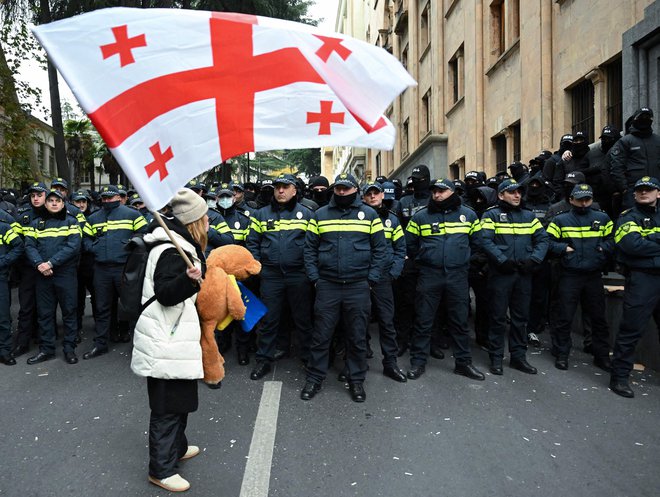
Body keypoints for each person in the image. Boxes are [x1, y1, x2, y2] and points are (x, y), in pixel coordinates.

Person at [130, 188, 210, 492]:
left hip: (174, 339)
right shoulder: (168, 249)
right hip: (166, 340)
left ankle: (176, 449)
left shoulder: (181, 245)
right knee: (166, 407)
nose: (208, 222)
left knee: (180, 400)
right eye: (204, 217)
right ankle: (161, 470)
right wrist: (188, 280)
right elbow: (165, 294)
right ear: (194, 221)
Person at [301, 173, 387, 402]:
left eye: (345, 189)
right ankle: (315, 378)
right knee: (321, 336)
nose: (341, 192)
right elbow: (309, 249)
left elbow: (380, 250)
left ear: (355, 190)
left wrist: (371, 279)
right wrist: (315, 278)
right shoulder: (320, 215)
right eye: (338, 188)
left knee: (357, 336)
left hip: (358, 286)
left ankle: (356, 380)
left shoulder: (369, 215)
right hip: (328, 285)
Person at [405, 178, 485, 381]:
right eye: (434, 191)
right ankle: (418, 362)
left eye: (441, 191)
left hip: (457, 275)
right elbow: (410, 245)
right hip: (429, 274)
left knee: (459, 321)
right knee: (423, 320)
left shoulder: (468, 215)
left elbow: (477, 243)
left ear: (452, 192)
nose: (437, 195)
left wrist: (464, 259)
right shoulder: (421, 217)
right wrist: (425, 258)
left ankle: (463, 363)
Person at [246, 173, 314, 379]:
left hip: (298, 275)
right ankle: (263, 360)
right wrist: (259, 269)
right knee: (269, 320)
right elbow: (253, 244)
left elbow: (313, 245)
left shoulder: (307, 214)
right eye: (277, 187)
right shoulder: (261, 214)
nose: (281, 191)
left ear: (295, 190)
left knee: (303, 319)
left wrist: (308, 270)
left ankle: (308, 357)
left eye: (285, 187)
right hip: (271, 276)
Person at [480, 179, 549, 375]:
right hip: (501, 274)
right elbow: (485, 240)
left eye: (519, 192)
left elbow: (543, 239)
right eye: (512, 192)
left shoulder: (528, 216)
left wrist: (534, 260)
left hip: (523, 274)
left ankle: (518, 357)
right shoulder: (491, 215)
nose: (517, 195)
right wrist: (501, 260)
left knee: (521, 318)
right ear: (501, 195)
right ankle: (496, 358)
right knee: (498, 317)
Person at [546, 184, 613, 371]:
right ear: (571, 200)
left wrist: (602, 249)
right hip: (570, 274)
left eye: (587, 199)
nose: (584, 203)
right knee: (564, 316)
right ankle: (561, 354)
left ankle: (601, 356)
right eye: (580, 199)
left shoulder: (603, 218)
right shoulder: (561, 220)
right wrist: (563, 249)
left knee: (598, 318)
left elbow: (613, 239)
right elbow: (547, 241)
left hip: (593, 275)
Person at [83, 185, 148, 358]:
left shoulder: (132, 214)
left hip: (124, 268)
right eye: (104, 198)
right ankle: (100, 344)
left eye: (110, 198)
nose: (107, 201)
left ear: (119, 198)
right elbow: (86, 240)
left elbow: (144, 233)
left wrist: (131, 245)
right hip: (101, 270)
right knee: (102, 308)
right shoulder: (93, 218)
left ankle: (139, 346)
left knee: (131, 307)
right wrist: (94, 248)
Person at [609, 176, 660, 398]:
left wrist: (651, 243)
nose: (643, 193)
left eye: (648, 190)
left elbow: (641, 244)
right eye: (639, 190)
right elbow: (631, 245)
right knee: (631, 330)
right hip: (642, 278)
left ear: (658, 193)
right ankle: (619, 377)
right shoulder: (627, 217)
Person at [24, 190, 82, 365]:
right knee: (45, 314)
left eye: (58, 200)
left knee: (69, 312)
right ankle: (46, 349)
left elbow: (73, 247)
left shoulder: (72, 222)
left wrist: (50, 263)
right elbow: (29, 246)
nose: (54, 203)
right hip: (43, 275)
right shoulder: (36, 224)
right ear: (45, 204)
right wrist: (39, 264)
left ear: (63, 204)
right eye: (50, 201)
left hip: (65, 274)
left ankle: (69, 349)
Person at [361, 182, 407, 382]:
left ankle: (390, 363)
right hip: (361, 277)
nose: (372, 197)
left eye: (376, 193)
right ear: (363, 197)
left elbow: (400, 249)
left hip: (383, 278)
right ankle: (358, 361)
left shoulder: (392, 220)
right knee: (358, 322)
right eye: (368, 194)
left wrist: (394, 272)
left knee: (387, 322)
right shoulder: (357, 218)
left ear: (382, 195)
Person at [11, 182, 48, 358]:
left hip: (47, 268)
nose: (35, 198)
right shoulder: (22, 215)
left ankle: (44, 341)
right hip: (28, 268)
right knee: (25, 307)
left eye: (39, 195)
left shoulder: (55, 213)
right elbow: (17, 242)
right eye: (33, 195)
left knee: (45, 307)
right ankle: (22, 343)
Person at [609, 107, 660, 210]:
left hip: (656, 189)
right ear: (635, 119)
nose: (645, 119)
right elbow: (616, 167)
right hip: (633, 191)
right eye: (642, 117)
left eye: (648, 117)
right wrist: (624, 188)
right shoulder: (625, 141)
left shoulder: (657, 140)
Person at [0, 218, 23, 365]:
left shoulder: (3, 228)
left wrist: (3, 261)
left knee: (2, 317)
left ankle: (4, 351)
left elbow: (19, 246)